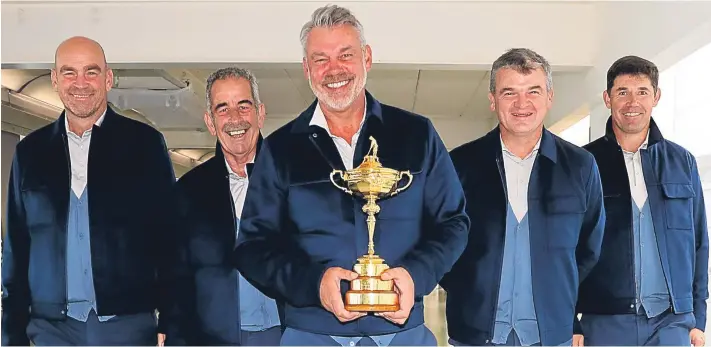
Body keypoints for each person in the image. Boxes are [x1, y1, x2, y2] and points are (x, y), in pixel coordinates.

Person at [232, 4, 470, 346]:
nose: (334, 70)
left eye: (345, 54)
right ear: (306, 69)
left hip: (402, 335)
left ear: (367, 58)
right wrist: (314, 284)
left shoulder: (417, 135)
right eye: (320, 59)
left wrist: (416, 276)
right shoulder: (280, 149)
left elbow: (454, 222)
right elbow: (252, 247)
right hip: (310, 334)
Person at [1, 36, 178, 346]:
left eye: (91, 72)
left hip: (127, 325)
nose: (80, 83)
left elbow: (171, 238)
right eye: (69, 72)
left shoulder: (145, 144)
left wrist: (174, 316)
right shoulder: (30, 152)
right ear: (55, 80)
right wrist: (11, 332)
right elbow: (17, 246)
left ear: (108, 78)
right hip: (50, 329)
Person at [442, 48, 606, 346]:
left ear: (549, 97)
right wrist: (469, 289)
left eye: (533, 91)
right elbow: (441, 241)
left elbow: (589, 249)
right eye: (509, 93)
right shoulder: (459, 165)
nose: (522, 103)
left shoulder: (580, 166)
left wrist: (558, 292)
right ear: (492, 99)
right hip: (474, 334)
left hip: (551, 335)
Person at [575, 55, 708, 346]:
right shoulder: (583, 163)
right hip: (604, 319)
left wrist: (698, 316)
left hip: (671, 320)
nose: (632, 103)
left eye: (642, 92)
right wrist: (571, 320)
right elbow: (565, 246)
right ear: (607, 99)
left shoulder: (682, 161)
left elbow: (699, 242)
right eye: (622, 92)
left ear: (656, 97)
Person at [170, 67, 283, 345]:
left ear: (260, 112)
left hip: (286, 335)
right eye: (223, 109)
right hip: (214, 338)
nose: (235, 118)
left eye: (243, 106)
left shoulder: (292, 179)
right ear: (210, 122)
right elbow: (176, 274)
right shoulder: (188, 190)